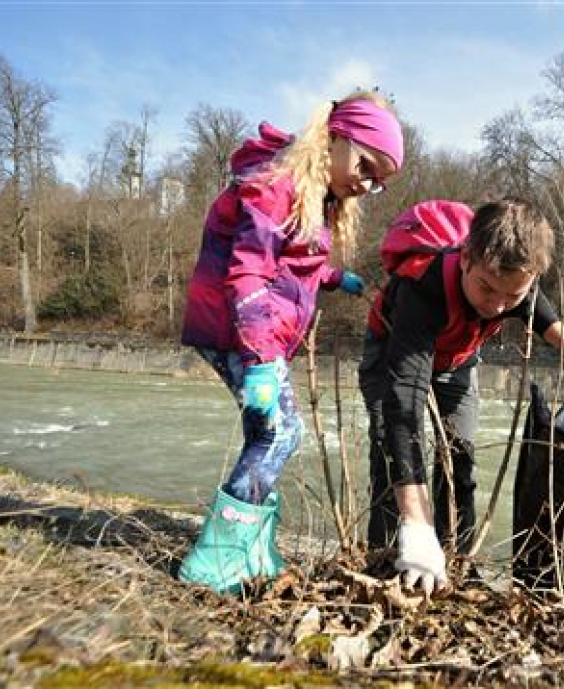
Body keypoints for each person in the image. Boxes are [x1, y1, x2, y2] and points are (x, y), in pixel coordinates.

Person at [178, 91, 404, 594]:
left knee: (274, 433)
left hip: (255, 329)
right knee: (279, 433)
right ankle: (216, 559)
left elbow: (289, 257)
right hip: (237, 328)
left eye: (379, 182)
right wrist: (258, 359)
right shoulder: (276, 184)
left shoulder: (311, 193)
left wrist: (331, 277)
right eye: (366, 165)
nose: (367, 184)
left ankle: (253, 549)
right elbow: (249, 269)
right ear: (335, 137)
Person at [358, 198, 564, 596]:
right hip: (393, 351)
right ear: (466, 257)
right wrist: (418, 523)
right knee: (393, 460)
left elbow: (531, 304)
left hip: (457, 360)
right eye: (487, 288)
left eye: (510, 296)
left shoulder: (514, 284)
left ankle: (457, 567)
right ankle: (388, 563)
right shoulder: (422, 287)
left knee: (460, 459)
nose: (495, 306)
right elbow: (404, 404)